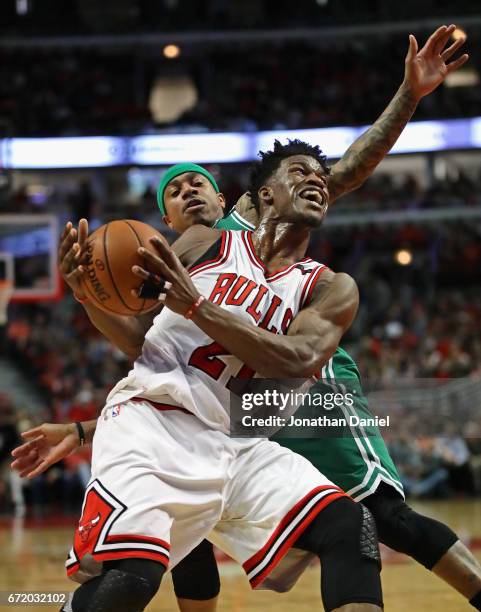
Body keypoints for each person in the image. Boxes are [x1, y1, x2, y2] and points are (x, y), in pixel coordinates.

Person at [13, 25, 481, 612]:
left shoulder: (294, 249)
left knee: (372, 519)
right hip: (201, 416)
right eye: (173, 191)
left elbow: (344, 172)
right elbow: (152, 354)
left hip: (287, 400)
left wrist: (409, 96)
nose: (187, 193)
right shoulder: (188, 250)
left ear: (230, 195)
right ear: (164, 217)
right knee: (159, 558)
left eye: (197, 182)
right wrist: (89, 302)